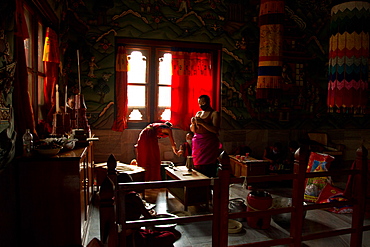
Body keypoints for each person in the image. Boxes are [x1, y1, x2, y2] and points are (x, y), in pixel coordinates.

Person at [120, 173, 180, 247]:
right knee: (170, 236)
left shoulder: (115, 197)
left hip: (120, 236)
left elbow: (130, 219)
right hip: (133, 239)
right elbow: (148, 219)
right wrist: (152, 214)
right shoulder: (133, 198)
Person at [190, 95, 221, 178]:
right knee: (197, 165)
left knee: (208, 166)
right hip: (198, 143)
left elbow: (215, 130)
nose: (201, 105)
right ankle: (198, 184)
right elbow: (193, 130)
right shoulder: (199, 113)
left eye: (203, 103)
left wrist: (203, 123)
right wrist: (193, 123)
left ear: (208, 102)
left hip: (209, 143)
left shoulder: (214, 114)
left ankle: (208, 184)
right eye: (199, 103)